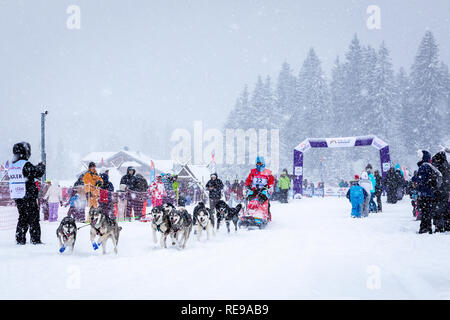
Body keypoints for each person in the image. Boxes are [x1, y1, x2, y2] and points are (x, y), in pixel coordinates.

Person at [9, 142, 46, 245]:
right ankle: (35, 240)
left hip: (17, 195)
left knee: (22, 217)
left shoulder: (13, 166)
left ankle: (20, 239)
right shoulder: (25, 164)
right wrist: (41, 166)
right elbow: (37, 172)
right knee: (33, 218)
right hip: (27, 195)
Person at [245, 156, 274, 220]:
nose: (259, 165)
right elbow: (248, 180)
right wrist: (248, 185)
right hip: (254, 189)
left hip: (263, 189)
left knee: (263, 199)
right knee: (250, 197)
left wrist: (267, 186)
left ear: (263, 163)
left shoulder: (268, 173)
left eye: (260, 163)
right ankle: (250, 211)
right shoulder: (253, 172)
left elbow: (271, 182)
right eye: (258, 164)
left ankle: (265, 214)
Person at [416, 150, 438, 234]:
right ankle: (427, 227)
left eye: (419, 155)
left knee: (424, 210)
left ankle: (424, 227)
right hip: (429, 192)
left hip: (424, 192)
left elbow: (421, 180)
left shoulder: (423, 166)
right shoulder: (430, 166)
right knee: (427, 210)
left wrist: (415, 179)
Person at [431, 151, 449, 232]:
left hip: (438, 191)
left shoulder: (437, 167)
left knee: (438, 209)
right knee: (445, 209)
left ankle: (439, 226)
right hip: (446, 191)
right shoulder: (447, 166)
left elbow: (435, 179)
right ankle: (447, 225)